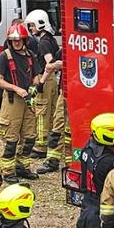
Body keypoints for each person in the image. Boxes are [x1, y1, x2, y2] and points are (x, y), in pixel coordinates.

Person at [0, 21, 46, 180]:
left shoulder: (30, 55)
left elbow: (36, 75)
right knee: (11, 138)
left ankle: (22, 167)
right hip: (12, 101)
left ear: (24, 40)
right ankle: (8, 172)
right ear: (9, 41)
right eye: (13, 40)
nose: (16, 43)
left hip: (28, 101)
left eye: (19, 40)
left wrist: (35, 84)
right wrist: (17, 89)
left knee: (29, 136)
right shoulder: (4, 56)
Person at [23, 10, 66, 173]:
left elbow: (50, 63)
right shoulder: (51, 41)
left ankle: (42, 148)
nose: (31, 29)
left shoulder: (43, 43)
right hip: (55, 82)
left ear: (40, 23)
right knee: (56, 116)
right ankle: (54, 156)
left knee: (44, 112)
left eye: (32, 25)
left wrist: (42, 80)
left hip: (50, 81)